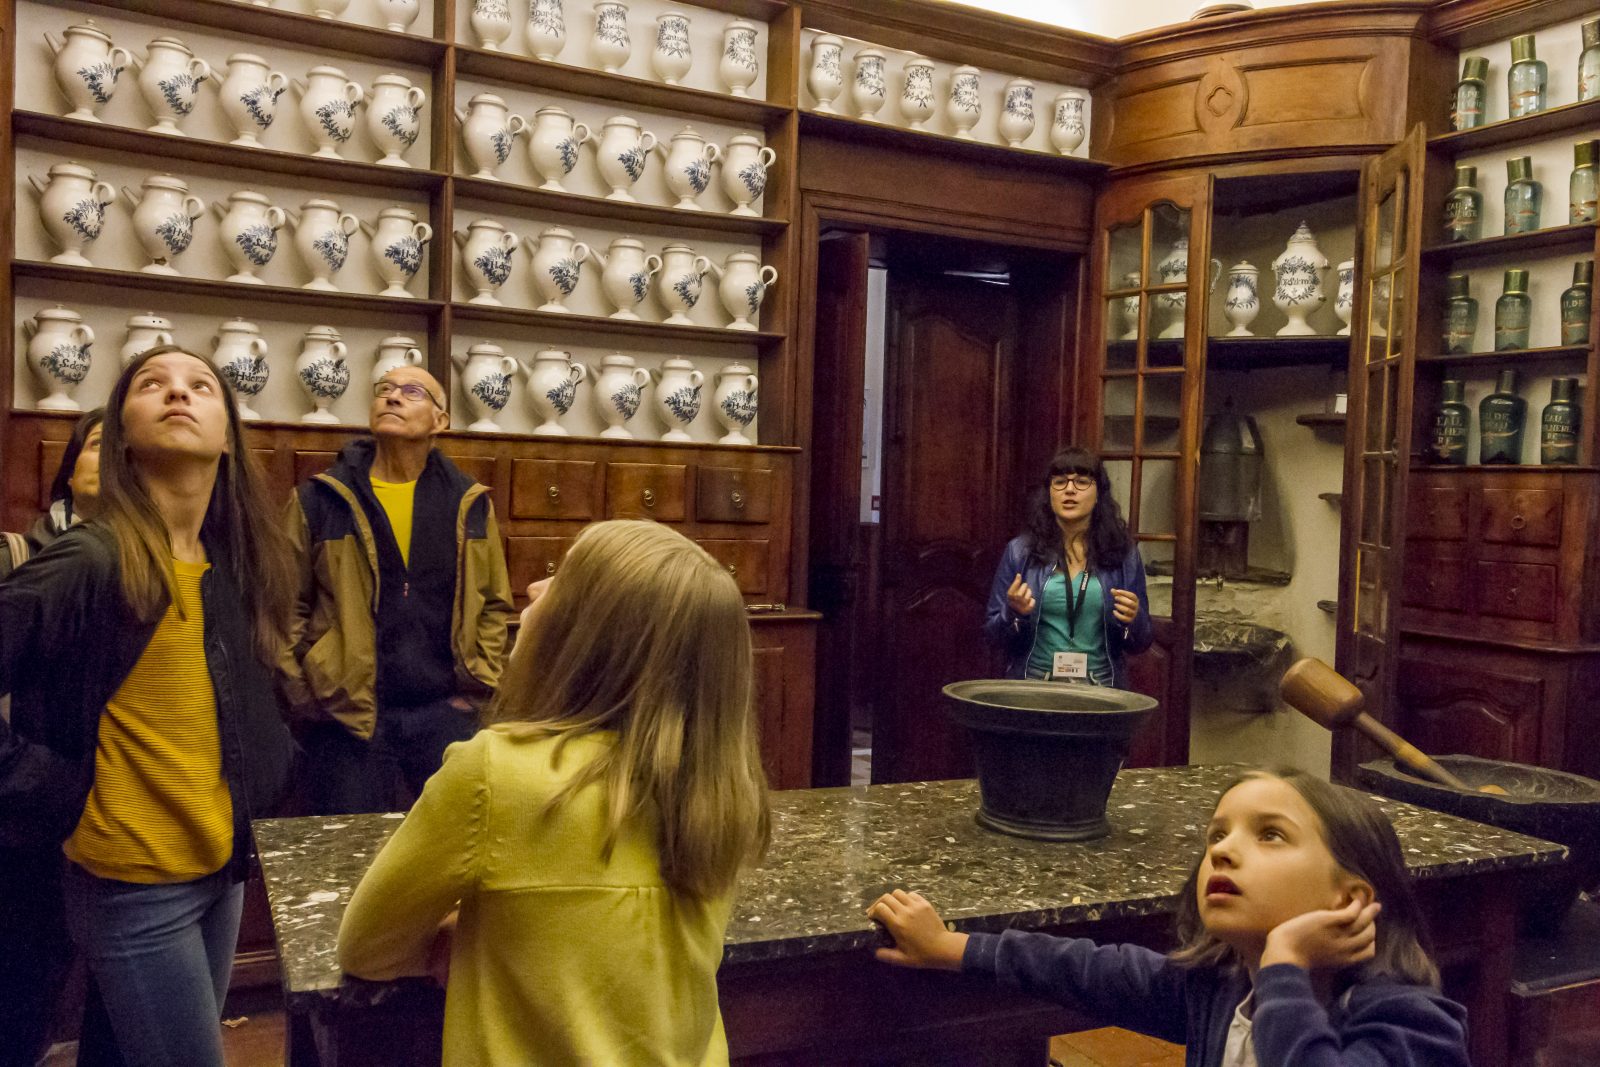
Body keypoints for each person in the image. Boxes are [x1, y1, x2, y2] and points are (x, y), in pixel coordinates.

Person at [337, 520, 772, 1066]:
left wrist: (462, 932)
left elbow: (368, 947)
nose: (533, 590)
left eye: (559, 580)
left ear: (591, 638)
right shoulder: (719, 788)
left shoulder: (496, 774)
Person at [0, 346, 296, 1067]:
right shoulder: (92, 558)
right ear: (121, 430)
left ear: (227, 435)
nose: (177, 393)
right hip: (133, 884)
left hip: (217, 876)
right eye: (151, 384)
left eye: (201, 385)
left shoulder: (229, 564)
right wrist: (41, 783)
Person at [869, 768, 1470, 1067]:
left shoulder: (1413, 1024)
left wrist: (1285, 964)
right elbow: (1089, 969)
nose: (1223, 850)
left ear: (1347, 899)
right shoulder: (1220, 991)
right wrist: (950, 947)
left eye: (1270, 835)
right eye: (1217, 834)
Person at [279, 364, 514, 815]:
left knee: (457, 853)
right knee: (349, 864)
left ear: (440, 422)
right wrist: (304, 694)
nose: (392, 397)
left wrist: (477, 687)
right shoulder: (321, 499)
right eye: (384, 389)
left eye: (412, 391)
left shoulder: (469, 503)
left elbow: (493, 604)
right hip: (347, 719)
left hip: (444, 711)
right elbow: (285, 605)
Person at [0, 407, 109, 1067]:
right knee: (23, 988)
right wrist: (38, 778)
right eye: (100, 442)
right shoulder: (20, 558)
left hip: (126, 819)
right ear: (69, 469)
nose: (119, 453)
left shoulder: (165, 568)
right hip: (31, 825)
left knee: (111, 1005)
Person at [983, 446, 1153, 687]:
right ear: (1049, 493)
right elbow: (992, 636)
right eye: (1060, 482)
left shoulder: (1123, 553)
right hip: (1033, 688)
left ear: (1098, 494)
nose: (1070, 490)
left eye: (1082, 481)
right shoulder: (1019, 552)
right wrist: (1012, 613)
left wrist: (1134, 620)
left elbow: (1142, 642)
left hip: (1102, 690)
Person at [0, 407, 102, 580]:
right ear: (70, 472)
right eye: (98, 443)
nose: (112, 456)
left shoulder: (157, 566)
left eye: (127, 449)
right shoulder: (10, 561)